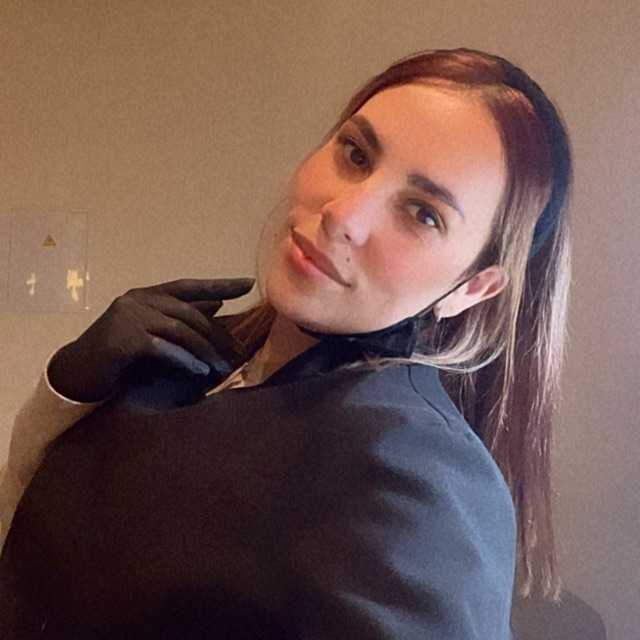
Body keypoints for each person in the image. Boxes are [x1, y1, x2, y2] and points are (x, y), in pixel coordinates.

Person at [0, 46, 572, 638]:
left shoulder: (417, 482)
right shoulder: (196, 357)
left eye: (423, 214)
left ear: (473, 289)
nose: (344, 214)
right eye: (355, 154)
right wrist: (66, 391)